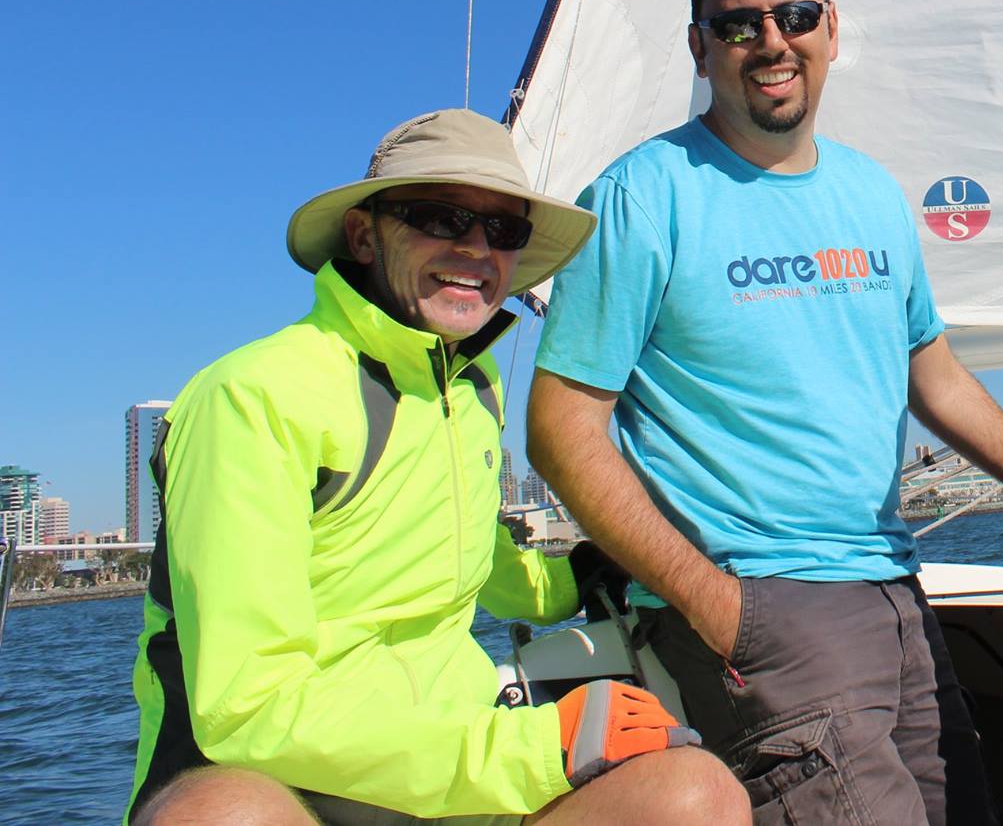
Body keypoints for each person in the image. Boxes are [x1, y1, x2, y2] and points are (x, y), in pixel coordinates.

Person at [527, 0, 1003, 824]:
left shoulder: (874, 193)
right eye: (737, 25)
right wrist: (715, 603)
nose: (771, 41)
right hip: (757, 605)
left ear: (830, 29)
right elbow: (562, 426)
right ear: (699, 47)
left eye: (795, 15)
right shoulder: (642, 195)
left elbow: (938, 376)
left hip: (892, 588)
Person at [127, 108, 747, 825]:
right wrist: (533, 750)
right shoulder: (253, 396)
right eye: (441, 217)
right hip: (287, 789)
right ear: (363, 234)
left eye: (503, 229)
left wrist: (578, 577)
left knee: (697, 795)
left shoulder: (473, 391)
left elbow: (479, 558)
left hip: (452, 780)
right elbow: (249, 703)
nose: (477, 248)